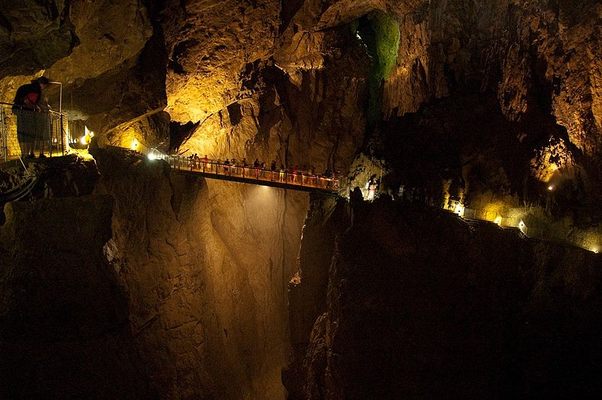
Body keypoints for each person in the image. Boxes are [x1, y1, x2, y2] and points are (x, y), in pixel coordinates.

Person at [12, 76, 50, 158]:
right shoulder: (36, 89)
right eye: (45, 86)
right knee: (28, 133)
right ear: (42, 84)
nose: (44, 88)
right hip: (24, 112)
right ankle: (26, 154)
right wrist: (35, 108)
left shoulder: (27, 87)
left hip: (18, 109)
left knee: (22, 133)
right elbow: (28, 101)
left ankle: (24, 154)